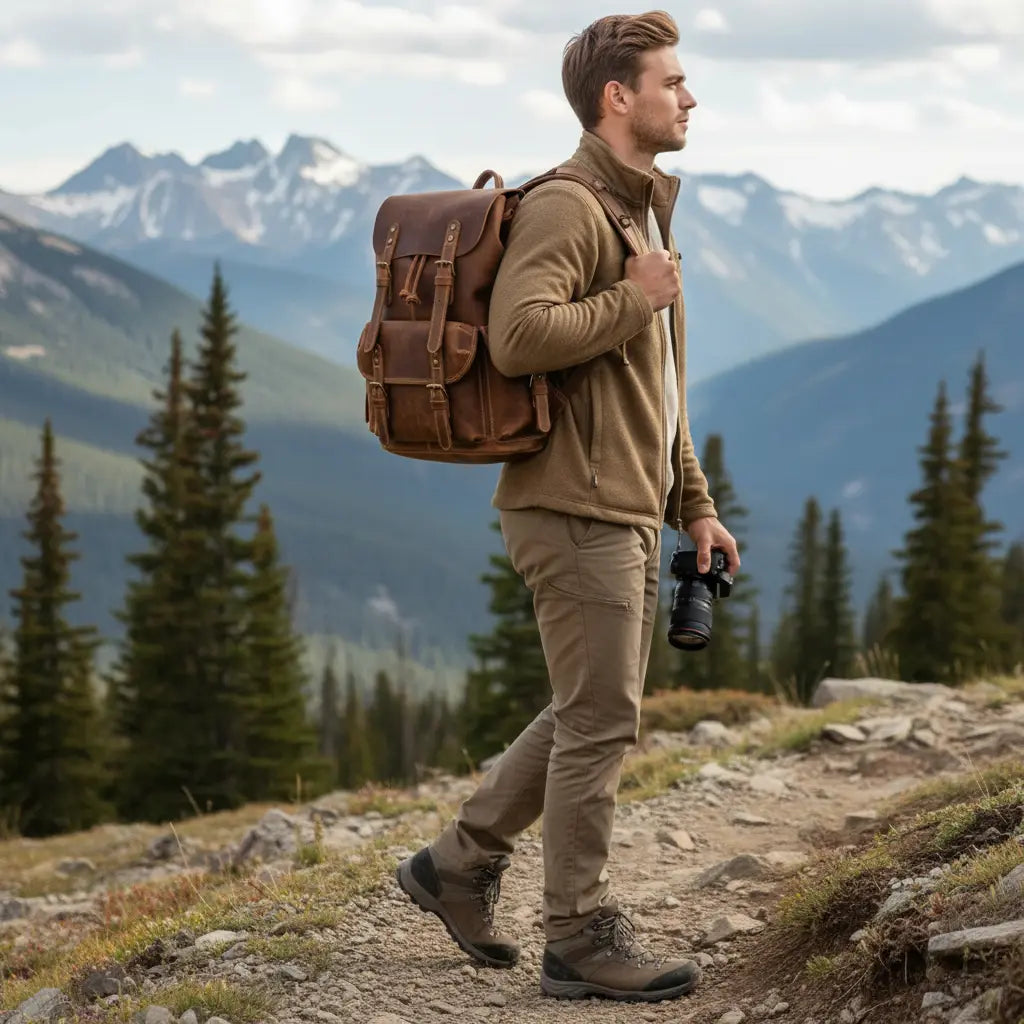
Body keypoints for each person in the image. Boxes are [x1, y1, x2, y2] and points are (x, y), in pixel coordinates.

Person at [396, 9, 740, 1004]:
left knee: (592, 712)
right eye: (671, 81)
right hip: (572, 505)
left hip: (625, 504)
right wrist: (634, 296)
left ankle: (454, 865)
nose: (689, 96)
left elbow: (655, 387)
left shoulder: (639, 215)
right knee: (600, 719)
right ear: (616, 98)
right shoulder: (571, 207)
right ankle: (578, 936)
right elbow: (517, 337)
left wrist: (696, 506)